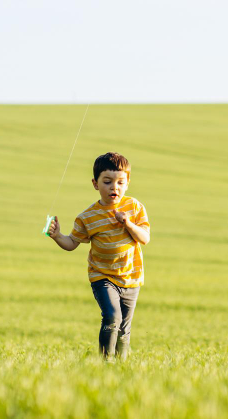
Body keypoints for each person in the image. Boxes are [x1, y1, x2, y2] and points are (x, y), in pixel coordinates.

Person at [47, 151, 150, 360]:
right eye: (107, 181)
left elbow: (144, 238)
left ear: (127, 183)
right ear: (95, 184)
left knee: (124, 328)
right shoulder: (87, 217)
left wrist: (127, 222)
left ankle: (121, 365)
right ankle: (105, 363)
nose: (114, 187)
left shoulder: (135, 207)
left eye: (121, 182)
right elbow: (72, 243)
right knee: (112, 316)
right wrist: (57, 235)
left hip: (131, 278)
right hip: (102, 276)